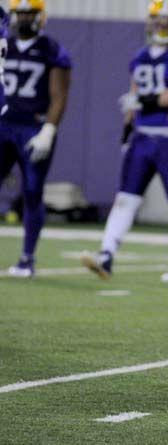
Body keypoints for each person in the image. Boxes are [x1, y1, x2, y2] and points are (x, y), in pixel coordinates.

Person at [81, 0, 168, 283]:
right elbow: (133, 95)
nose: (162, 24)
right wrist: (128, 126)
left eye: (167, 19)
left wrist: (147, 100)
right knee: (124, 200)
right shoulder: (140, 57)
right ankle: (107, 255)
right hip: (143, 138)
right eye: (157, 19)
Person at [0, 0, 71, 278]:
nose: (25, 18)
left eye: (30, 13)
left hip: (34, 126)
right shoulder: (6, 42)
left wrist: (49, 130)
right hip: (4, 123)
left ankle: (27, 257)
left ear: (41, 17)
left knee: (32, 192)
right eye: (20, 13)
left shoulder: (51, 50)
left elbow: (59, 96)